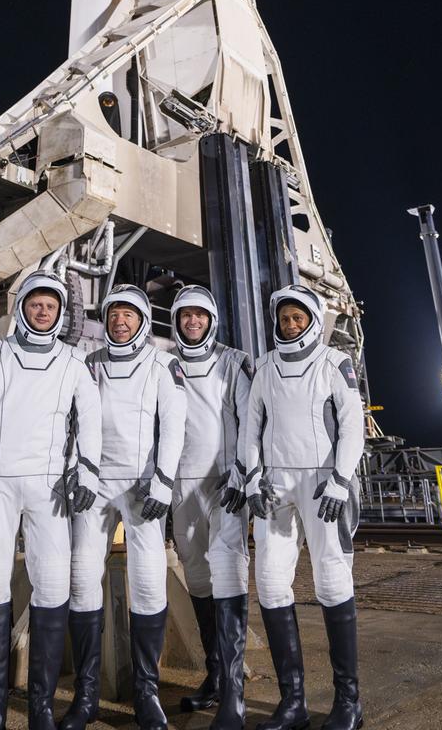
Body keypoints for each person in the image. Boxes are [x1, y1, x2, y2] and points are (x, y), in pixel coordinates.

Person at [0, 270, 101, 730]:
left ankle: (41, 709)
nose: (43, 310)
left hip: (49, 489)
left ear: (60, 312)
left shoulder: (74, 363)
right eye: (36, 303)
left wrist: (87, 470)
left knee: (53, 587)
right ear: (23, 309)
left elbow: (89, 419)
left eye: (51, 305)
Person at [64, 284, 187, 730]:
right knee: (80, 581)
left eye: (129, 315)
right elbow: (73, 421)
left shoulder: (162, 363)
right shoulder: (88, 363)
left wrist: (163, 481)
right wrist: (79, 471)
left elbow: (174, 424)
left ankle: (146, 693)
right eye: (114, 314)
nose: (120, 321)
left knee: (150, 584)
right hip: (93, 486)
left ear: (141, 321)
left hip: (142, 488)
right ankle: (87, 694)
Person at [245, 284, 365, 730]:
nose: (290, 325)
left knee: (332, 582)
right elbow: (250, 427)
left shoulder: (335, 363)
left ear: (313, 320)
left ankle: (348, 703)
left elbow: (353, 428)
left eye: (298, 318)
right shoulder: (264, 368)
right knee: (272, 585)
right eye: (284, 319)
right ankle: (292, 702)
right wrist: (252, 475)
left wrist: (340, 479)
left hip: (322, 485)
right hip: (276, 485)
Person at [169, 284, 252, 730]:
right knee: (198, 580)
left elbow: (249, 421)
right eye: (185, 316)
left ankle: (234, 696)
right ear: (176, 320)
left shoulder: (235, 362)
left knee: (230, 576)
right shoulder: (165, 363)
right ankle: (215, 676)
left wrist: (243, 471)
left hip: (225, 485)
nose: (192, 322)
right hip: (182, 488)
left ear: (211, 319)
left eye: (199, 316)